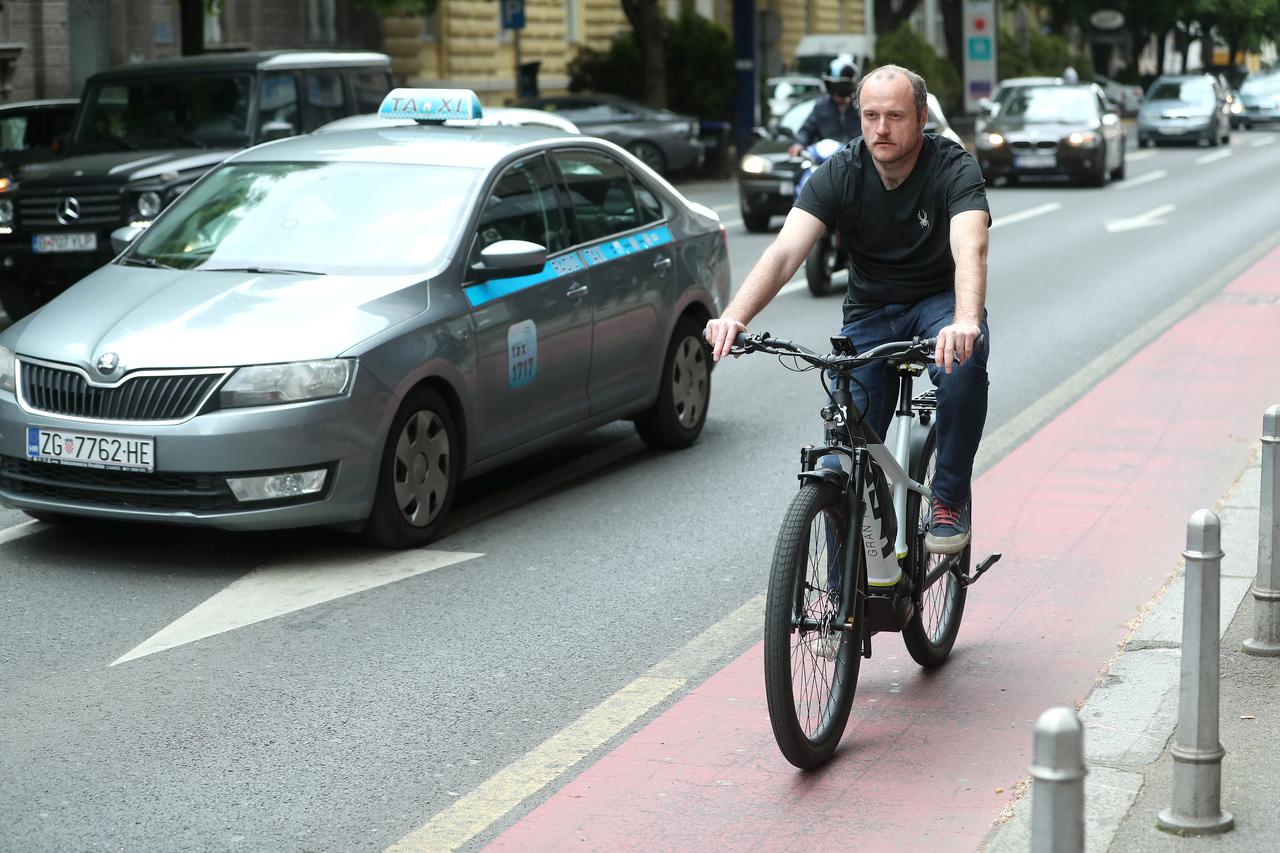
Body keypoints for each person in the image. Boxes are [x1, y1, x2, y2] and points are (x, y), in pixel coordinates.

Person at [705, 64, 991, 559]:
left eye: (896, 116)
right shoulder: (840, 171)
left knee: (963, 364)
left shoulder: (953, 166)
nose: (881, 128)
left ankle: (948, 498)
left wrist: (966, 319)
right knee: (842, 461)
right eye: (871, 115)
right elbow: (784, 253)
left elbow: (970, 246)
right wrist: (736, 314)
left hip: (937, 303)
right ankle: (843, 606)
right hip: (870, 312)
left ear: (922, 117)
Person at [787, 57, 861, 157]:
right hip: (826, 161)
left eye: (841, 88)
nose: (836, 93)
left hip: (856, 159)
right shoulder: (821, 106)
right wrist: (799, 144)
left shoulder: (860, 107)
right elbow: (807, 129)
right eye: (833, 88)